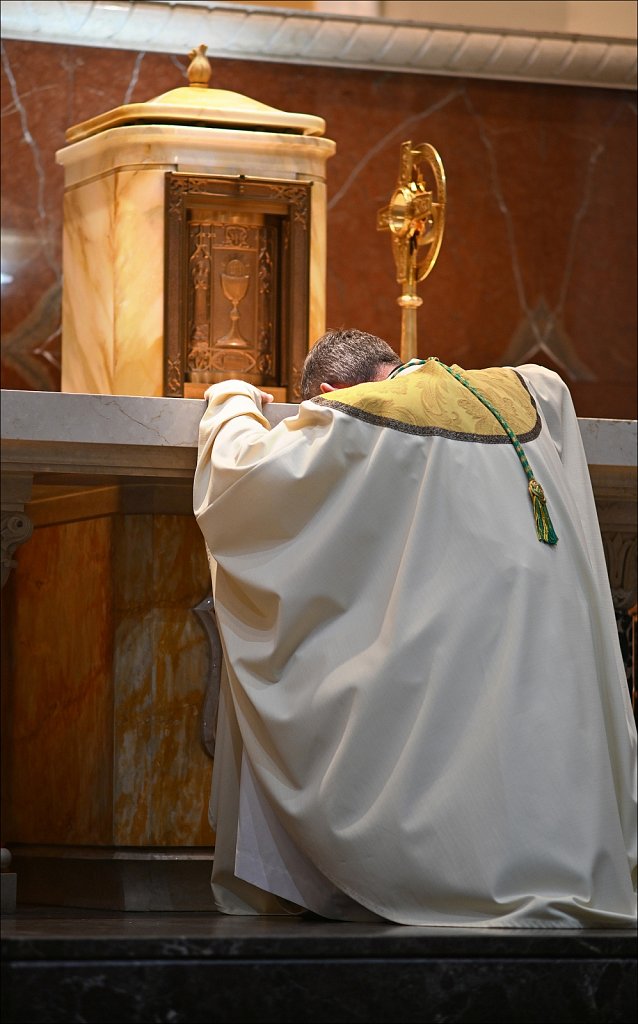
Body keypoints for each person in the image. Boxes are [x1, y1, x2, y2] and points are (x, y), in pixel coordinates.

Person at [193, 328, 637, 927]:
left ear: (328, 393)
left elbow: (248, 477)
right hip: (540, 624)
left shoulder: (359, 415)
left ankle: (453, 875)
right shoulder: (520, 390)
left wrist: (230, 401)